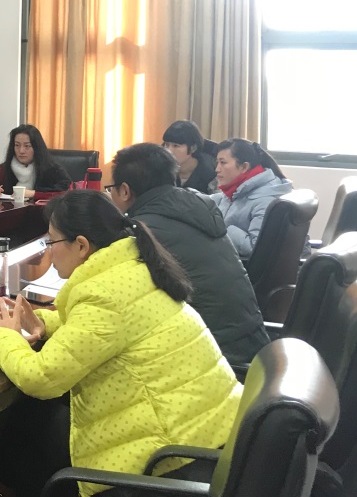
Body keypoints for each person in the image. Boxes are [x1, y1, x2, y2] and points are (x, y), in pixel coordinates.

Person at [0, 190, 240, 497]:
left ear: (81, 245)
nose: (48, 252)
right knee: (41, 418)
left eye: (51, 242)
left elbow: (40, 378)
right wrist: (42, 324)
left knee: (38, 426)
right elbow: (103, 332)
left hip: (170, 467)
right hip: (210, 444)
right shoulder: (134, 270)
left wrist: (4, 337)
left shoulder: (103, 295)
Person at [109, 143, 268, 366]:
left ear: (124, 191)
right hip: (254, 347)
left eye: (111, 189)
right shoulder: (199, 205)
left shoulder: (141, 232)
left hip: (215, 360)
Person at [208, 138, 293, 260]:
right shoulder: (236, 190)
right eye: (217, 163)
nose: (217, 169)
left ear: (244, 167)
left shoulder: (266, 199)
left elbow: (255, 249)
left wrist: (222, 227)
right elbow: (214, 200)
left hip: (250, 269)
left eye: (223, 163)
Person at [0, 123, 72, 197]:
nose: (21, 151)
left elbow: (66, 192)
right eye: (17, 145)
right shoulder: (6, 168)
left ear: (36, 148)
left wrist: (33, 194)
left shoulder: (52, 169)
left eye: (27, 146)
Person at [161, 119, 216, 192]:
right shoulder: (161, 169)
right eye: (167, 145)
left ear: (193, 148)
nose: (169, 150)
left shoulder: (212, 172)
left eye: (176, 146)